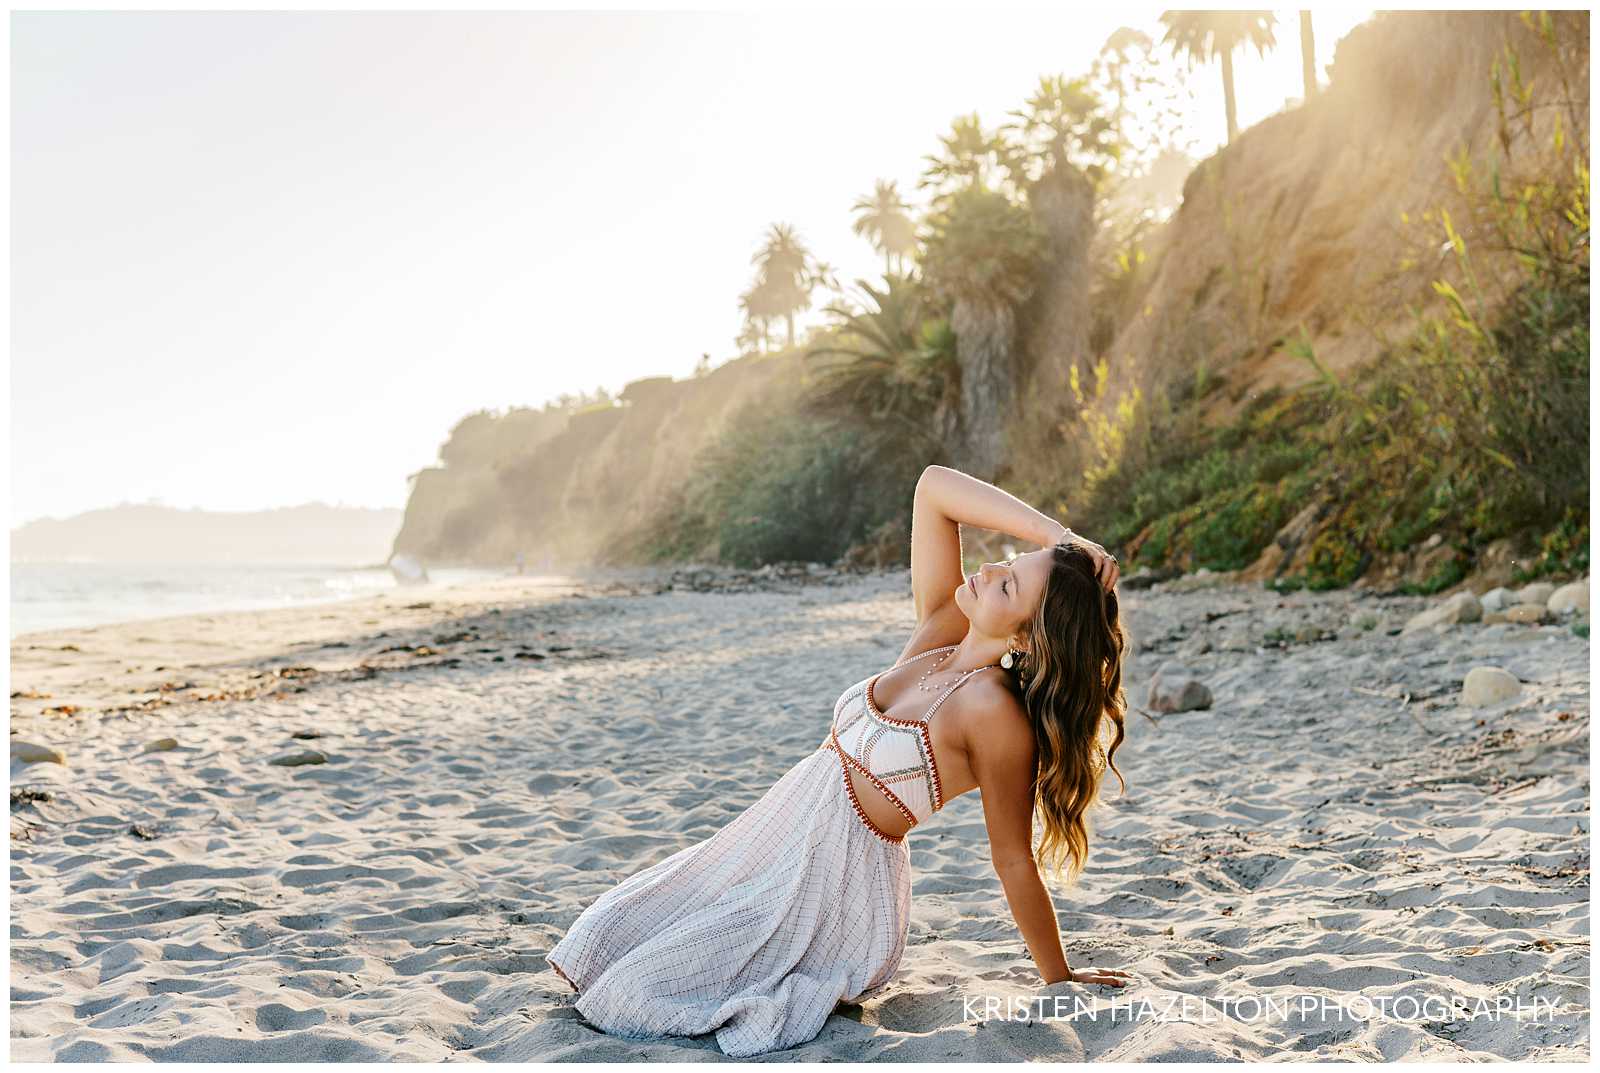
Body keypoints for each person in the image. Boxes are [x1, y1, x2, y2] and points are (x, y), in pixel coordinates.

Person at [546, 464, 1133, 1057]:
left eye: (1007, 586)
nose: (987, 572)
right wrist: (1059, 537)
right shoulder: (942, 635)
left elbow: (1012, 858)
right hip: (771, 837)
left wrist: (1059, 978)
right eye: (1006, 561)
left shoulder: (993, 715)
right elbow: (932, 489)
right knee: (606, 935)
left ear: (1029, 639)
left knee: (641, 990)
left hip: (830, 881)